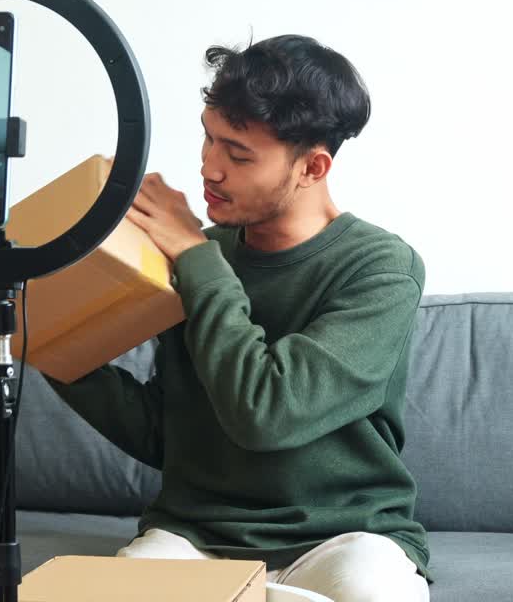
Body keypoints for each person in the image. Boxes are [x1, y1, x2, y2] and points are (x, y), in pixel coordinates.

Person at [48, 35, 431, 602]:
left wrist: (198, 260)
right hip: (194, 536)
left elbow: (268, 414)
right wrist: (54, 348)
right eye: (208, 137)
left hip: (346, 537)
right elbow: (168, 433)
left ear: (313, 167)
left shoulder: (380, 268)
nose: (210, 167)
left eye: (239, 153)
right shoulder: (199, 255)